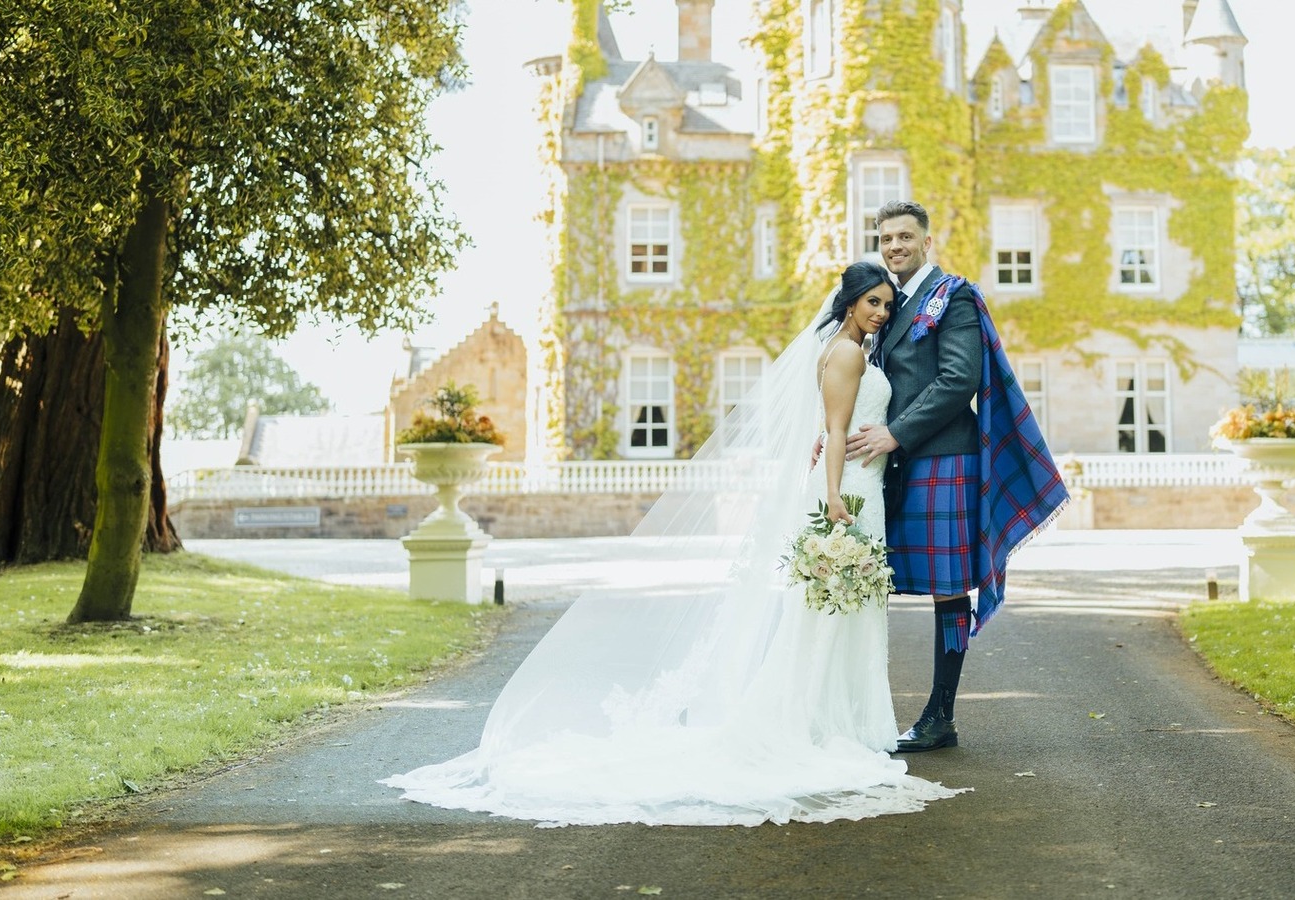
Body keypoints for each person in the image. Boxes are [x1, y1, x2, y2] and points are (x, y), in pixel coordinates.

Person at [383, 261, 964, 826]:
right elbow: (836, 431)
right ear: (850, 303)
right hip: (848, 493)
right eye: (874, 303)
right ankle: (818, 723)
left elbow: (828, 426)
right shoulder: (843, 353)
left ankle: (840, 722)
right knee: (828, 612)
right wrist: (834, 496)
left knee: (846, 610)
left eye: (888, 305)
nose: (883, 313)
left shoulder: (854, 351)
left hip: (863, 486)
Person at [846, 200, 1069, 753]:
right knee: (875, 583)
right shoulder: (889, 304)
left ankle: (940, 715)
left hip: (945, 457)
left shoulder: (955, 296)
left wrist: (896, 434)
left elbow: (957, 379)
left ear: (926, 240)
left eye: (904, 237)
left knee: (949, 591)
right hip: (900, 463)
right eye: (886, 239)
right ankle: (854, 704)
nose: (894, 246)